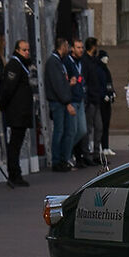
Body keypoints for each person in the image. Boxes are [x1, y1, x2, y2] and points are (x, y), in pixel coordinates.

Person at [44, 33, 86, 173]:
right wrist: (67, 101)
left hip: (62, 101)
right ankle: (57, 161)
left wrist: (69, 84)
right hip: (59, 102)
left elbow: (61, 83)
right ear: (62, 47)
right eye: (67, 46)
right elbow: (57, 85)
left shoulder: (58, 62)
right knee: (60, 131)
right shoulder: (53, 62)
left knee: (67, 131)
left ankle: (63, 158)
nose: (68, 49)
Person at [0, 37, 37, 187]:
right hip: (16, 111)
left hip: (22, 111)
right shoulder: (14, 65)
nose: (27, 52)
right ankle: (14, 174)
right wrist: (2, 105)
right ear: (17, 50)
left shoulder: (22, 64)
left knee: (17, 143)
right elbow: (8, 88)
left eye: (28, 50)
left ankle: (15, 172)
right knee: (14, 143)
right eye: (24, 50)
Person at [82, 38, 114, 166]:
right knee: (89, 128)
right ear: (93, 47)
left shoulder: (95, 62)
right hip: (91, 99)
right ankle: (86, 154)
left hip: (96, 100)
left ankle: (96, 153)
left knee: (99, 127)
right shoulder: (86, 62)